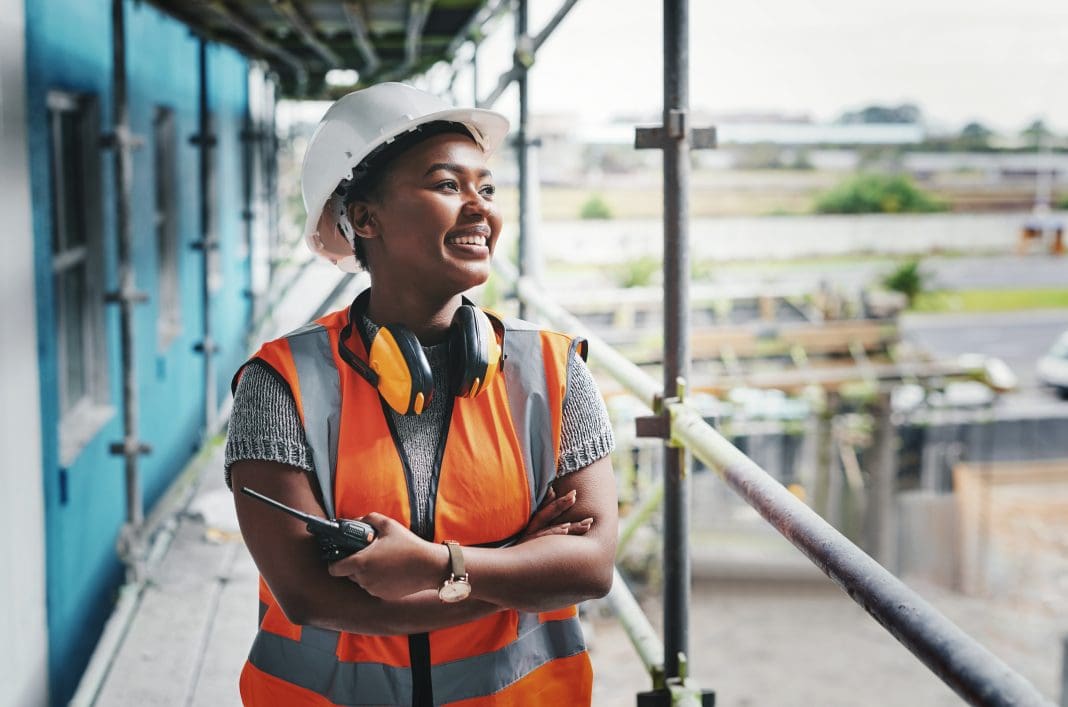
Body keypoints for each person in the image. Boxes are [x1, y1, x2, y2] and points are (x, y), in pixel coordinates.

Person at [226, 82, 619, 707]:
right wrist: (518, 566)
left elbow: (591, 567)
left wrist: (437, 566)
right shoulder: (280, 385)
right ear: (365, 217)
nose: (479, 207)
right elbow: (310, 597)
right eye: (446, 184)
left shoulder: (553, 370)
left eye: (485, 187)